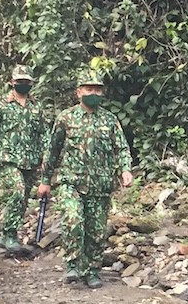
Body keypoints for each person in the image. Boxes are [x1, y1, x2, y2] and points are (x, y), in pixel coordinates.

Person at [39, 67, 134, 286]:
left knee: (96, 231)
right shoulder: (66, 118)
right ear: (79, 92)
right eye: (89, 89)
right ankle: (73, 265)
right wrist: (45, 180)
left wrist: (125, 169)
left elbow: (121, 147)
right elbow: (53, 149)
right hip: (71, 182)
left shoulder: (110, 120)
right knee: (74, 220)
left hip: (100, 185)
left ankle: (91, 269)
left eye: (97, 90)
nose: (93, 93)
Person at [0, 65, 50, 253]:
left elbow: (44, 133)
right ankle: (8, 234)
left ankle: (11, 234)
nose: (23, 84)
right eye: (20, 81)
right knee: (17, 191)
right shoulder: (0, 104)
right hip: (6, 158)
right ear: (12, 82)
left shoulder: (37, 107)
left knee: (24, 198)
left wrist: (46, 155)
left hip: (30, 160)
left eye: (27, 82)